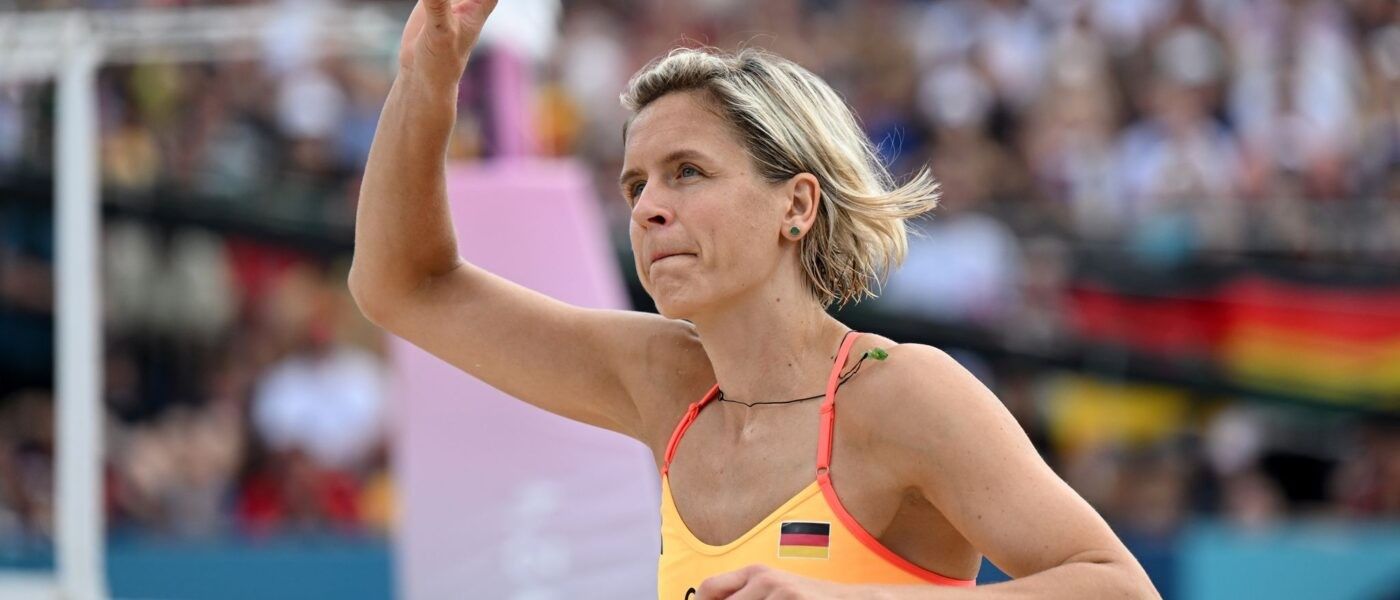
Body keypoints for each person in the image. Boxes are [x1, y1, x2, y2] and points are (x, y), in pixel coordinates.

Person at [348, 1, 1160, 598]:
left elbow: (1118, 586)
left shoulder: (902, 392)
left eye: (687, 172)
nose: (648, 207)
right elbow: (402, 286)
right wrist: (428, 76)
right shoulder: (662, 381)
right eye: (635, 185)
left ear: (796, 205)